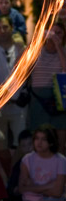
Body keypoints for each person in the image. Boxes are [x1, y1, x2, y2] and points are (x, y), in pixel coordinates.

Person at [0, 15, 26, 148]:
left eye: (5, 27)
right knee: (0, 146)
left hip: (18, 104)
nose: (2, 30)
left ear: (12, 28)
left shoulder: (21, 49)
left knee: (21, 144)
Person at [29, 22, 66, 154]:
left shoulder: (64, 50)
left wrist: (58, 46)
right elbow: (21, 63)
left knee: (61, 136)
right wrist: (38, 40)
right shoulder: (37, 50)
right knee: (39, 136)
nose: (54, 35)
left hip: (60, 97)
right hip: (39, 98)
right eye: (52, 32)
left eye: (59, 33)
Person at [19, 124, 66, 201]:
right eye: (37, 138)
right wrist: (49, 186)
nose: (39, 142)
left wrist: (32, 187)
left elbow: (58, 192)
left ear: (51, 142)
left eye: (44, 139)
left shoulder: (61, 161)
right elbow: (22, 188)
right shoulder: (27, 159)